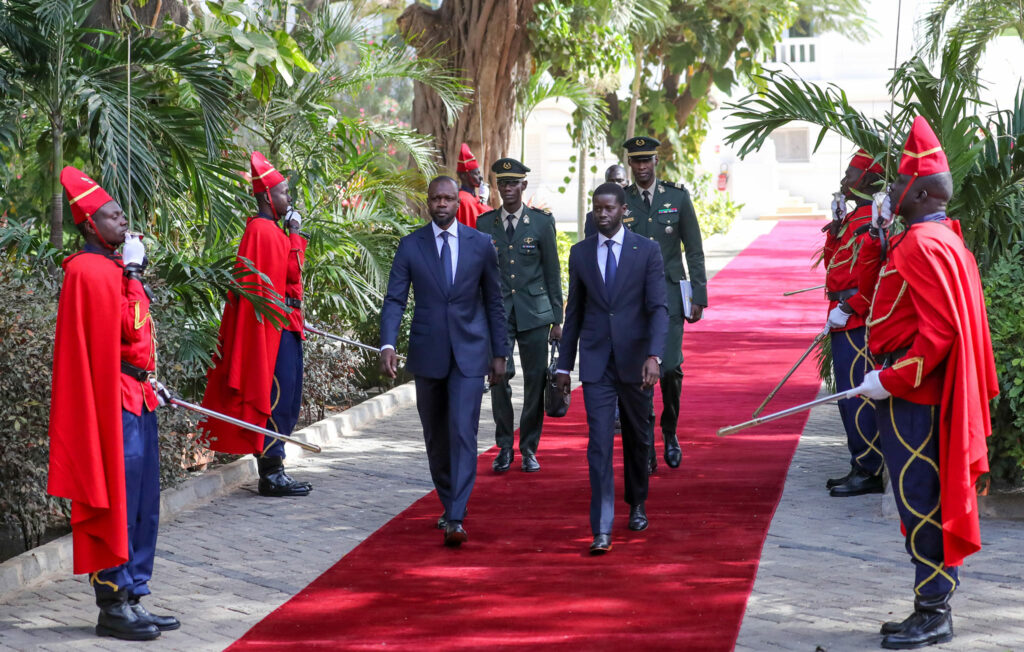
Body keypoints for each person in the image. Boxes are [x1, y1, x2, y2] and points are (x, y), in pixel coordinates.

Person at [858, 116, 998, 649]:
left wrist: (888, 381)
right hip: (917, 395)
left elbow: (937, 336)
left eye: (896, 183)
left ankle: (934, 611)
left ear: (918, 192)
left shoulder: (921, 245)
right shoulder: (938, 238)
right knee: (924, 500)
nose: (890, 190)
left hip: (914, 399)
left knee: (920, 501)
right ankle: (930, 603)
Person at [48, 166, 180, 641]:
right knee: (117, 503)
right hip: (111, 404)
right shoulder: (88, 270)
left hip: (137, 396)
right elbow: (126, 326)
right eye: (113, 216)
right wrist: (133, 272)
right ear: (89, 225)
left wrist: (152, 379)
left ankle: (134, 594)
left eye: (122, 214)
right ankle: (111, 601)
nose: (123, 222)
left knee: (144, 503)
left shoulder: (112, 267)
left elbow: (138, 340)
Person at [379, 176, 507, 547]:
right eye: (436, 199)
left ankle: (455, 516)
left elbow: (494, 302)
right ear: (428, 202)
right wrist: (388, 344)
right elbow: (395, 301)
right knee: (436, 437)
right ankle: (450, 498)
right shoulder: (410, 246)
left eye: (448, 199)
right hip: (428, 354)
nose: (442, 205)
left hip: (470, 355)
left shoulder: (481, 245)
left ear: (457, 202)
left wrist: (499, 354)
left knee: (462, 432)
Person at [555, 182, 668, 554]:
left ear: (623, 210)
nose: (602, 214)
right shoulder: (580, 253)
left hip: (637, 363)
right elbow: (575, 314)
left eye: (608, 208)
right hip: (596, 363)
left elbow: (657, 308)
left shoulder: (646, 250)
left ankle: (637, 502)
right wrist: (562, 366)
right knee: (599, 444)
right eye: (596, 209)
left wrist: (654, 355)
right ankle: (601, 527)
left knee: (638, 436)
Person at [201, 151, 312, 497]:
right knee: (277, 397)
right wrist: (294, 234)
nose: (288, 197)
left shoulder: (270, 230)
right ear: (267, 197)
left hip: (287, 324)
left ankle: (276, 466)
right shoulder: (263, 231)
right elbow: (290, 274)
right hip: (274, 330)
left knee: (288, 398)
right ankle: (271, 471)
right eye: (283, 192)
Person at [621, 136, 707, 474]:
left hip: (670, 296)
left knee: (669, 367)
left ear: (657, 162)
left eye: (647, 161)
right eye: (636, 161)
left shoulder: (677, 197)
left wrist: (698, 295)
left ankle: (669, 433)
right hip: (632, 298)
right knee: (639, 372)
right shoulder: (622, 201)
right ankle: (646, 441)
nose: (642, 167)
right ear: (630, 164)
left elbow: (694, 248)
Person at [476, 158, 563, 473]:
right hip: (499, 314)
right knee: (499, 378)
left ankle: (528, 448)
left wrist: (558, 319)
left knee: (535, 381)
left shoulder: (541, 223)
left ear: (524, 186)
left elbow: (553, 272)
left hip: (535, 314)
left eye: (514, 183)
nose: (508, 189)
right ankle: (503, 446)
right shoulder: (485, 225)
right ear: (498, 187)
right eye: (503, 183)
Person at [822, 149, 886, 497]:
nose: (843, 181)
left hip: (856, 319)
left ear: (865, 179)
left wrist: (850, 307)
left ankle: (870, 468)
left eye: (849, 174)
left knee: (857, 395)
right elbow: (833, 268)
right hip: (842, 315)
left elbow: (873, 278)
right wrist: (834, 228)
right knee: (847, 397)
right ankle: (858, 463)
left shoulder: (869, 221)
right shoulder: (852, 219)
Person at [583, 164, 628, 238]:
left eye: (619, 181)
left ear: (627, 182)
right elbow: (589, 246)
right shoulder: (592, 217)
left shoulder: (638, 212)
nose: (616, 184)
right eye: (611, 181)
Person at [455, 143, 489, 228]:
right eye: (476, 174)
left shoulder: (475, 197)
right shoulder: (462, 199)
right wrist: (484, 202)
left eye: (479, 173)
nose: (480, 177)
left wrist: (482, 200)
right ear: (464, 176)